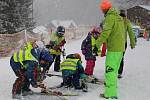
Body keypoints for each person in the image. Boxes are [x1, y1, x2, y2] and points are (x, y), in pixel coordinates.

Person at [97, 0, 126, 99]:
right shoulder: (119, 17)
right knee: (114, 71)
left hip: (113, 49)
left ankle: (110, 94)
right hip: (120, 49)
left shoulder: (110, 18)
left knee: (109, 71)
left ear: (104, 9)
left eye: (102, 10)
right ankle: (112, 90)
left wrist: (96, 45)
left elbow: (105, 33)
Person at [118, 10, 136, 78]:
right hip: (123, 43)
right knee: (121, 57)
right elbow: (131, 33)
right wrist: (132, 43)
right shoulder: (127, 21)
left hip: (115, 42)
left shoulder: (116, 20)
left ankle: (113, 70)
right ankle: (119, 72)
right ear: (125, 14)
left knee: (114, 56)